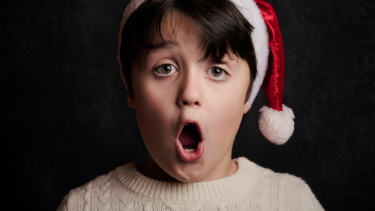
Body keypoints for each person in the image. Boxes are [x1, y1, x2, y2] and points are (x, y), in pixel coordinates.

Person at [57, 0, 324, 210]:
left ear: (247, 94)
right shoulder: (84, 206)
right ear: (131, 88)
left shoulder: (291, 202)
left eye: (217, 71)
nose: (190, 93)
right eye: (165, 68)